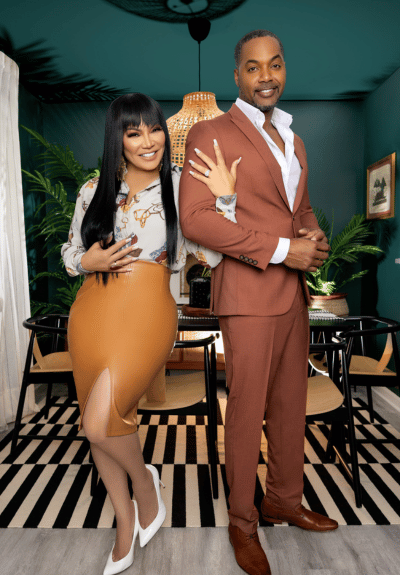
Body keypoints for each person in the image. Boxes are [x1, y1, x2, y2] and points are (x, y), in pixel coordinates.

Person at [179, 30, 338, 575]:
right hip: (247, 295)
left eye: (274, 64)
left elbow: (303, 209)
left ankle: (284, 501)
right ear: (237, 76)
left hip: (293, 296)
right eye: (253, 67)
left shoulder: (293, 139)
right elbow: (196, 219)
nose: (265, 75)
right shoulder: (210, 132)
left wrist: (314, 242)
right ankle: (242, 522)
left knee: (291, 407)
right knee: (245, 414)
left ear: (284, 68)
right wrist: (281, 250)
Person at [61, 93, 239, 575]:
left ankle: (144, 485)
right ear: (116, 138)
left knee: (99, 423)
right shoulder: (93, 189)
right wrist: (87, 260)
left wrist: (224, 198)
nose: (148, 140)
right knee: (99, 427)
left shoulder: (181, 187)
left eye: (155, 128)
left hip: (148, 312)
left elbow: (219, 253)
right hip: (91, 314)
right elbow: (69, 252)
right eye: (133, 131)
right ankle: (125, 523)